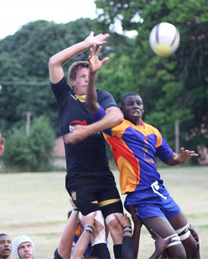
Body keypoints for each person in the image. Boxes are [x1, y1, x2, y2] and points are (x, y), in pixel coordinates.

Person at [80, 45, 200, 258]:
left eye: (139, 103)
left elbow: (169, 157)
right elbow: (91, 104)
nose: (135, 106)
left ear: (143, 108)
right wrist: (93, 72)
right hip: (141, 198)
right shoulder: (116, 127)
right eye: (130, 104)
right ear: (122, 109)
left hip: (161, 193)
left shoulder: (153, 131)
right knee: (179, 253)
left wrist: (179, 158)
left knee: (193, 245)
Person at [48, 31, 128, 258]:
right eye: (81, 76)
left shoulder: (101, 96)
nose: (85, 79)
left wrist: (87, 131)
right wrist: (85, 44)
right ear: (72, 81)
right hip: (79, 178)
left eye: (88, 76)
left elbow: (117, 118)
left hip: (103, 175)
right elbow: (54, 61)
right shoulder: (65, 97)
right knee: (98, 227)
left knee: (118, 225)